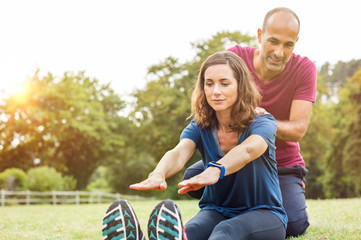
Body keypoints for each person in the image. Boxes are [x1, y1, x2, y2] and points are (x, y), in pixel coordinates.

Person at [102, 51, 287, 240]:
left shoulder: (262, 122)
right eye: (209, 83)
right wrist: (158, 173)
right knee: (188, 233)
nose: (216, 91)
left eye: (224, 83)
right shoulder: (201, 125)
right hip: (217, 210)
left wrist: (216, 170)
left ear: (241, 86)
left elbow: (248, 150)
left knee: (225, 232)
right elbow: (179, 152)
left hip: (264, 213)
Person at [183, 7, 317, 238]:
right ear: (259, 35)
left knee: (293, 224)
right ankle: (236, 210)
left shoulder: (304, 69)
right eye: (273, 41)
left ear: (296, 42)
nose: (278, 52)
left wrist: (260, 120)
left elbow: (298, 129)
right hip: (233, 158)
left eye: (288, 45)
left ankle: (268, 200)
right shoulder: (235, 59)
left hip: (280, 164)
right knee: (190, 178)